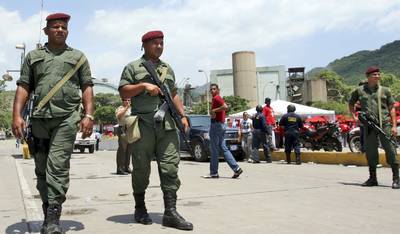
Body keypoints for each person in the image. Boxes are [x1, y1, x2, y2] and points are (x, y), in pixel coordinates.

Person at [12, 13, 94, 234]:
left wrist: (89, 115)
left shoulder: (78, 57)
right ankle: (48, 208)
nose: (60, 30)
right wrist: (16, 115)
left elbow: (87, 86)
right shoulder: (33, 56)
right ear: (46, 31)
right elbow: (23, 86)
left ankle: (53, 218)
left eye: (64, 27)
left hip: (66, 119)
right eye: (55, 27)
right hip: (39, 120)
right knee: (41, 168)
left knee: (57, 166)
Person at [119, 30, 193, 230]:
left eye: (161, 43)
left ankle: (170, 212)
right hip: (143, 125)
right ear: (144, 45)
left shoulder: (168, 68)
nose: (159, 46)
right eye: (155, 43)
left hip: (167, 125)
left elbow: (174, 94)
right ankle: (140, 207)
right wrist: (143, 86)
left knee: (170, 167)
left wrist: (183, 115)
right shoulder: (133, 67)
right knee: (141, 169)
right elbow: (123, 91)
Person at [348, 66, 399, 189]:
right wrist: (354, 117)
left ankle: (396, 178)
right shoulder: (359, 91)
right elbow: (350, 103)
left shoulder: (385, 90)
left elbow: (392, 108)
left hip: (385, 124)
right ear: (368, 77)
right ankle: (372, 178)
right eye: (374, 75)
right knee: (370, 151)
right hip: (369, 126)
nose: (377, 76)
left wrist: (393, 126)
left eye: (378, 74)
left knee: (391, 150)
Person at [207, 83, 243, 178]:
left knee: (214, 149)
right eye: (211, 89)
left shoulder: (216, 98)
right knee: (223, 148)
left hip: (216, 125)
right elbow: (221, 109)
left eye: (214, 89)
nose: (212, 91)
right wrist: (214, 112)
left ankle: (214, 172)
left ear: (218, 90)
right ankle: (236, 168)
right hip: (221, 125)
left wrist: (214, 111)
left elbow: (225, 107)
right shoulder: (216, 99)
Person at [115, 99, 132, 175]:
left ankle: (126, 167)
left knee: (129, 149)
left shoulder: (132, 108)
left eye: (129, 100)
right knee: (122, 149)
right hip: (123, 128)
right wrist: (126, 107)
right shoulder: (120, 108)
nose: (128, 101)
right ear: (123, 101)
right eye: (126, 100)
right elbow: (119, 116)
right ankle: (120, 168)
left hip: (130, 129)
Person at [262, 97, 276, 162]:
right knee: (269, 136)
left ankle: (271, 146)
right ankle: (272, 147)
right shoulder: (265, 108)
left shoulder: (271, 108)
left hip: (271, 123)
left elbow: (272, 116)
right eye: (267, 101)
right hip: (268, 123)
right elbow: (263, 116)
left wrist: (274, 123)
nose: (269, 102)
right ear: (266, 102)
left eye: (269, 101)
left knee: (270, 136)